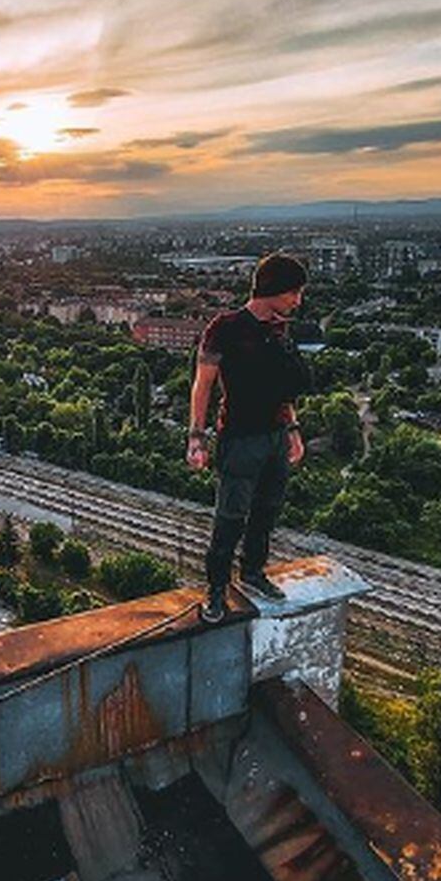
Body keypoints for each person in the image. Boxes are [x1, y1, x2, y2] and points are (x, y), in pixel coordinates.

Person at [187, 251, 311, 622]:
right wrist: (197, 436)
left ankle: (253, 574)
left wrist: (292, 430)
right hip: (240, 439)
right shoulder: (224, 327)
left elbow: (282, 388)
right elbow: (202, 385)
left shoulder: (278, 328)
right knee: (230, 519)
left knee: (265, 515)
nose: (297, 301)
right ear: (272, 288)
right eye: (294, 292)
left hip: (274, 438)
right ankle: (216, 591)